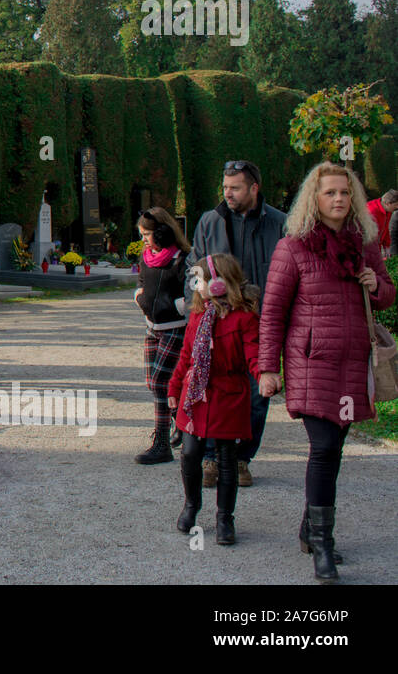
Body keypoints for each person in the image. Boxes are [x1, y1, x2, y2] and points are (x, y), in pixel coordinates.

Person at [258, 161, 395, 582]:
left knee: (334, 449)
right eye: (330, 192)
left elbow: (389, 295)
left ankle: (309, 527)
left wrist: (377, 285)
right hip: (311, 362)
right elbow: (272, 313)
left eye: (344, 192)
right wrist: (268, 368)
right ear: (313, 201)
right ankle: (323, 545)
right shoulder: (294, 247)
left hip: (354, 363)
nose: (339, 198)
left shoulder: (365, 244)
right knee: (322, 447)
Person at [186, 159, 286, 487]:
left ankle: (243, 458)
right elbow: (194, 267)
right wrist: (197, 308)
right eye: (225, 187)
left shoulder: (280, 224)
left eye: (236, 188)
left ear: (254, 188)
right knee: (217, 389)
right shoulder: (209, 221)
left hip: (262, 321)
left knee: (258, 393)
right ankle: (213, 458)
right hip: (217, 321)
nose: (228, 193)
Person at [168, 253, 260, 544]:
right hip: (196, 396)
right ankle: (191, 504)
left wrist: (265, 374)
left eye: (202, 279)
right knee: (190, 453)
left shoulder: (244, 318)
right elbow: (186, 356)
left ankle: (224, 518)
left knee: (226, 458)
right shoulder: (197, 315)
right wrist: (173, 389)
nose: (197, 284)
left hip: (228, 395)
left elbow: (254, 354)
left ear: (220, 283)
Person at [132, 207, 191, 465]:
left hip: (176, 327)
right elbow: (142, 284)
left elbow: (193, 293)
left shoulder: (183, 259)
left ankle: (162, 443)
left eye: (147, 234)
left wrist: (177, 307)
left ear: (164, 232)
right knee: (153, 382)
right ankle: (179, 421)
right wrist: (140, 298)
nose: (143, 239)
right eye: (142, 234)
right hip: (152, 327)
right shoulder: (146, 258)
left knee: (159, 382)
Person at [366, 188, 398, 257]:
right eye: (396, 204)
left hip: (376, 247)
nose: (397, 207)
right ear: (387, 204)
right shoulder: (371, 211)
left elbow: (385, 228)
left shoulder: (388, 210)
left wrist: (387, 245)